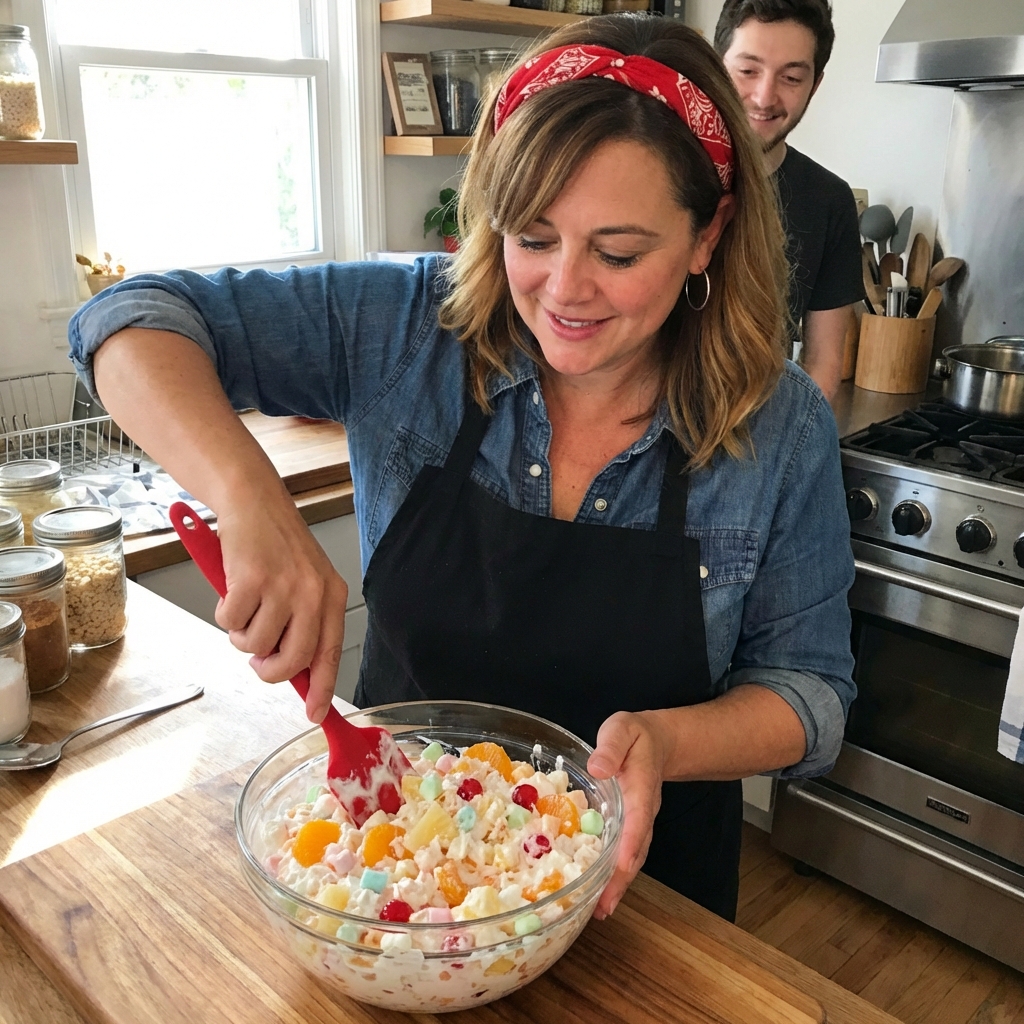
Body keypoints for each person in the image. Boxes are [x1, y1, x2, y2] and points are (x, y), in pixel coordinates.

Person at [68, 15, 854, 923]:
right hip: (394, 879)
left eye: (619, 252)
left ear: (707, 235)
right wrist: (250, 497)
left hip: (645, 910)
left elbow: (812, 695)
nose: (564, 289)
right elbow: (128, 318)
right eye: (532, 235)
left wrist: (665, 742)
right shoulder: (405, 326)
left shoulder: (780, 423)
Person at [715, 0, 864, 401]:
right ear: (715, 68)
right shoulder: (662, 174)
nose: (764, 97)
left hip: (756, 444)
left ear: (815, 84)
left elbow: (824, 363)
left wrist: (793, 455)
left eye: (792, 78)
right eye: (747, 71)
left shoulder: (829, 200)